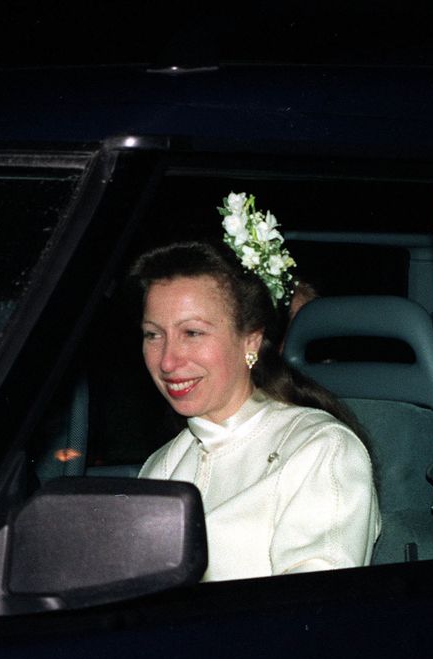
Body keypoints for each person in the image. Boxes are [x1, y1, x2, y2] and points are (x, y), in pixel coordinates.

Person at [133, 196, 380, 582]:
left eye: (192, 333)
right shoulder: (162, 465)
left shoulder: (321, 450)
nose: (167, 360)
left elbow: (313, 619)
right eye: (153, 335)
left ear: (250, 341)